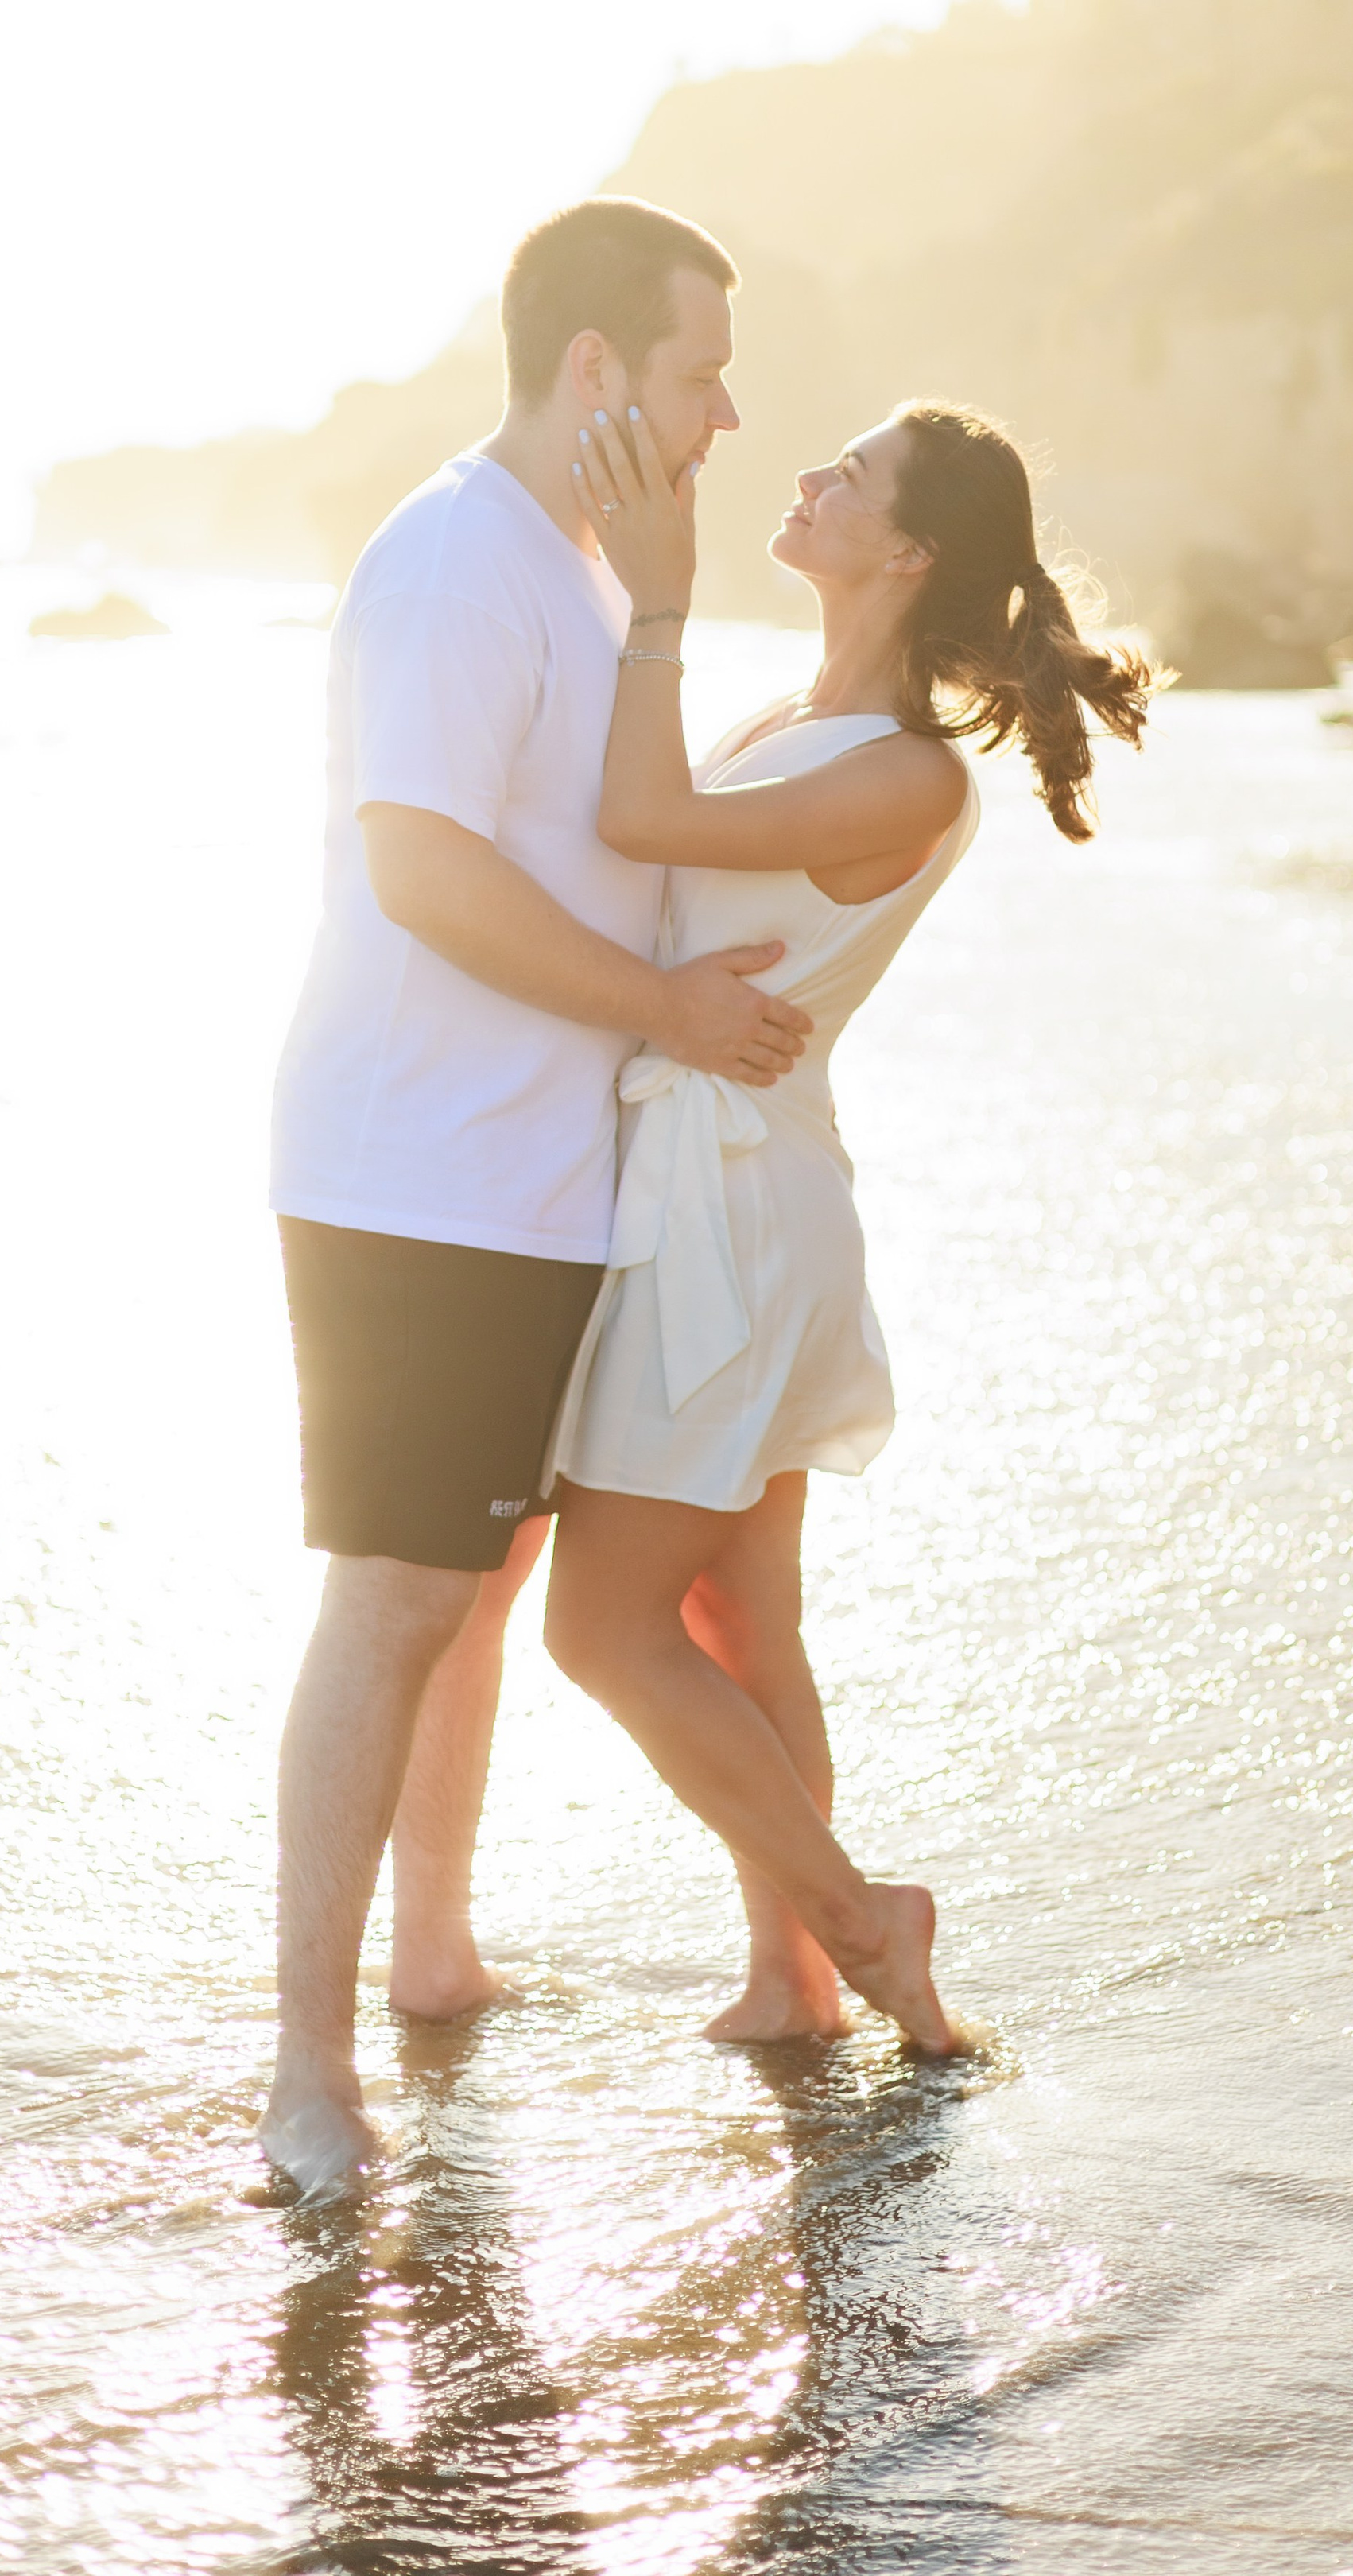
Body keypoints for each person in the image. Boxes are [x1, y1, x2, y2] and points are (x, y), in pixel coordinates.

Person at [262, 196, 816, 2201]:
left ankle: (431, 1951)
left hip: (543, 1178)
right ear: (592, 371)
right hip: (417, 1172)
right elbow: (421, 869)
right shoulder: (452, 566)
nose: (725, 409)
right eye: (694, 372)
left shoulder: (585, 570)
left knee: (475, 1593)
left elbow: (619, 826)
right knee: (401, 1594)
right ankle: (307, 2076)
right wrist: (664, 1003)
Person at [544, 397, 1156, 2050]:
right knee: (742, 1619)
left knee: (599, 1629)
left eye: (850, 473)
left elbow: (638, 824)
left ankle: (853, 1919)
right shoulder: (788, 716)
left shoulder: (897, 774)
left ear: (906, 549)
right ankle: (792, 1981)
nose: (807, 475)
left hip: (727, 1223)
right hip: (737, 1190)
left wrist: (655, 593)